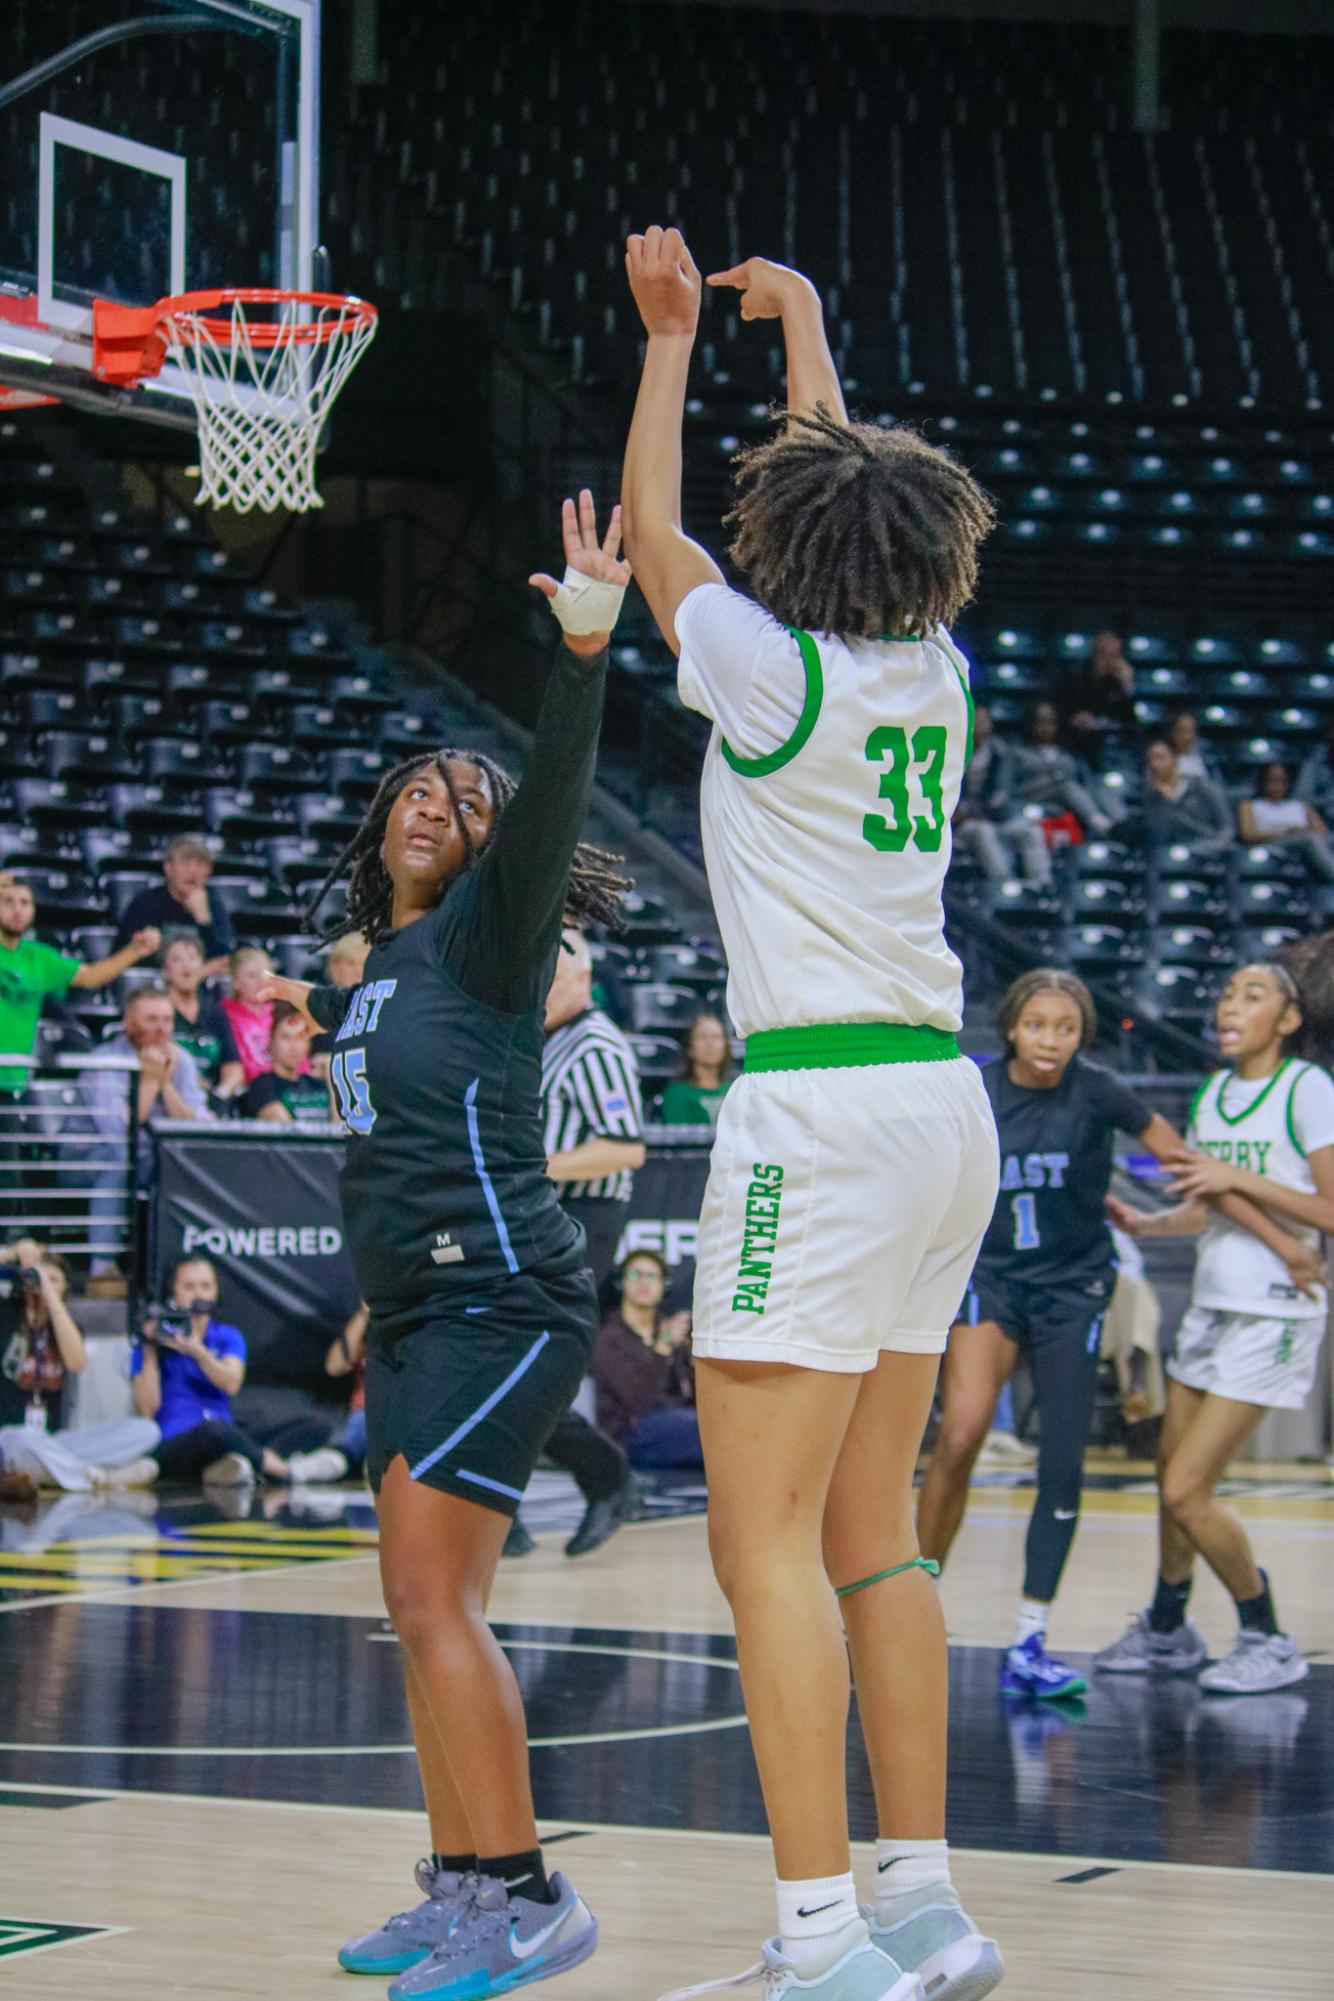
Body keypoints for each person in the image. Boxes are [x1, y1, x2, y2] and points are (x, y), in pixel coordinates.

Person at [624, 231, 1002, 2001]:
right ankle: (920, 1901)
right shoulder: (933, 677)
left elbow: (655, 539)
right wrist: (818, 339)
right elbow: (838, 511)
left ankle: (815, 1940)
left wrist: (670, 345)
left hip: (820, 1112)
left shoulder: (773, 680)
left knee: (753, 1538)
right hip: (938, 1109)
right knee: (876, 1535)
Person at [256, 491, 630, 2000]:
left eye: (462, 796)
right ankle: (464, 1881)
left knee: (432, 1599)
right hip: (414, 1312)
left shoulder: (488, 935)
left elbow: (545, 798)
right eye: (418, 784)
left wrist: (582, 656)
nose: (437, 797)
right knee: (415, 1607)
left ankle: (530, 1897)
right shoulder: (386, 968)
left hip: (503, 1293)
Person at [914, 970, 1284, 1699]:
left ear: (1082, 1036)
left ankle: (1030, 1633)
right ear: (1013, 1026)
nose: (1051, 1040)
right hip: (991, 1277)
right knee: (958, 1435)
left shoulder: (1098, 1088)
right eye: (1037, 1025)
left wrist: (1270, 1230)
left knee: (1061, 1461)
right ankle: (910, 1607)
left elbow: (1180, 1163)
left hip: (1074, 1289)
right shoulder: (974, 1086)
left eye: (1067, 1028)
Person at [1095, 948, 1334, 1695]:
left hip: (1276, 1310)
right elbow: (1211, 1209)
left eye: (1252, 995)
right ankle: (1168, 1627)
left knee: (1186, 1491)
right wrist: (1153, 1223)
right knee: (1170, 1473)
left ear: (1287, 1020)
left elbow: (1326, 1210)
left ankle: (1267, 1632)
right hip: (1210, 1301)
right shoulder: (1214, 1093)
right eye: (1227, 993)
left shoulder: (1308, 1089)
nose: (1230, 1006)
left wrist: (1238, 1176)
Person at [500, 924, 643, 1562]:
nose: (541, 987)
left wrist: (540, 1167)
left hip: (584, 1220)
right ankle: (500, 1513)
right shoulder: (551, 1040)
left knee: (532, 1369)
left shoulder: (597, 1047)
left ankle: (607, 1480)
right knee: (506, 1365)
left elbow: (625, 1145)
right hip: (545, 1218)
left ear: (582, 977)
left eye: (552, 975)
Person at [132, 1254, 348, 1487]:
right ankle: (280, 1470)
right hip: (179, 1440)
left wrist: (198, 1351)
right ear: (173, 1292)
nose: (198, 1295)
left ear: (215, 1291)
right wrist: (150, 1351)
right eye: (189, 1287)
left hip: (227, 1432)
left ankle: (242, 1465)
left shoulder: (226, 1336)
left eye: (205, 1286)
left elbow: (231, 1383)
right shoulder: (154, 1342)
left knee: (318, 1425)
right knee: (215, 1431)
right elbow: (147, 1410)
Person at [0, 1240, 159, 1491]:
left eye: (55, 1280)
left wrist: (51, 1299)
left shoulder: (67, 1327)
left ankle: (48, 1473)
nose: (43, 1285)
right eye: (39, 1277)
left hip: (55, 1442)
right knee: (23, 1440)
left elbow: (77, 1362)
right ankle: (101, 1478)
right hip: (9, 1439)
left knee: (146, 1430)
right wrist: (11, 1253)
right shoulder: (6, 1314)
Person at [83, 985, 214, 1278]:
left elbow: (197, 1125)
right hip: (89, 1157)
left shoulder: (182, 1061)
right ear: (128, 1024)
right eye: (151, 1020)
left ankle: (175, 1271)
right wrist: (150, 1082)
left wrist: (165, 1083)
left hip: (149, 1156)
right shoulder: (105, 1060)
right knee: (120, 1157)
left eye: (167, 1020)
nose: (162, 1029)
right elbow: (116, 1132)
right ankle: (102, 1268)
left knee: (186, 1161)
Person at [0, 872, 160, 1095]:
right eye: (7, 901)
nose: (17, 909)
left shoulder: (39, 957)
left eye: (25, 902)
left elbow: (90, 977)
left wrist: (135, 951)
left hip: (13, 1082)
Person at [593, 1250, 700, 1467]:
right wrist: (661, 1350)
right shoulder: (609, 1338)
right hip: (628, 1433)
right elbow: (636, 1400)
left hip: (675, 1424)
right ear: (622, 1283)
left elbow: (690, 1397)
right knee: (700, 1428)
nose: (643, 1282)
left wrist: (692, 1360)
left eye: (652, 1276)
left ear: (663, 1286)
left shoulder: (670, 1331)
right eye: (635, 1275)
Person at [950, 705, 1051, 886]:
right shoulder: (952, 752)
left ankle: (1041, 885)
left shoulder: (1000, 753)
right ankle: (1005, 884)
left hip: (995, 818)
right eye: (976, 722)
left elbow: (1001, 796)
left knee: (1031, 831)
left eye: (984, 721)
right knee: (983, 831)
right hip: (962, 826)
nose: (980, 727)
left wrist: (984, 811)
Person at [113, 833, 233, 975]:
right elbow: (130, 959)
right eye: (185, 862)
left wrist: (204, 920)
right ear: (168, 868)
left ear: (209, 872)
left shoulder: (214, 906)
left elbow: (224, 962)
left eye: (200, 864)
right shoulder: (146, 903)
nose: (192, 871)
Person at [162, 933, 244, 1102]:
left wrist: (219, 1094)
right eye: (177, 959)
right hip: (171, 1098)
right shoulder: (159, 1013)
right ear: (165, 972)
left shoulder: (215, 1013)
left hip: (211, 1099)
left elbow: (234, 1067)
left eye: (192, 958)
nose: (186, 966)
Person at [1008, 700, 1108, 836]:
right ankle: (1099, 823)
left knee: (1088, 786)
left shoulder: (1068, 755)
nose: (1046, 727)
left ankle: (1104, 822)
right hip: (1029, 801)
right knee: (1065, 785)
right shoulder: (1016, 753)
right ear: (1030, 723)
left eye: (1050, 722)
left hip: (1064, 806)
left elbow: (1083, 783)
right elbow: (1007, 787)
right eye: (1040, 722)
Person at [1117, 739, 1233, 855]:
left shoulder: (1202, 788)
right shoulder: (1152, 797)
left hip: (1207, 852)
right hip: (1169, 859)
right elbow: (1158, 836)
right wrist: (1163, 802)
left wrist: (1216, 846)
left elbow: (1226, 827)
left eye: (1160, 758)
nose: (1154, 764)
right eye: (1150, 760)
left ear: (1175, 759)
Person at [1237, 762, 1334, 882]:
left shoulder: (1301, 806)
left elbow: (1322, 832)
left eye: (1282, 781)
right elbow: (1248, 835)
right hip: (1269, 847)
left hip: (1304, 850)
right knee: (1308, 838)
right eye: (1272, 780)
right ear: (1262, 781)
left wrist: (1300, 832)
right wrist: (1287, 833)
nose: (1277, 786)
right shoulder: (1250, 806)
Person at [241, 1003, 334, 1123]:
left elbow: (341, 1128)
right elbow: (288, 1130)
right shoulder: (261, 1087)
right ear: (271, 1041)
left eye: (300, 1038)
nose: (293, 1046)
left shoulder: (318, 1085)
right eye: (286, 1037)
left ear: (309, 1044)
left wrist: (332, 1075)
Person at [1059, 629, 1136, 767]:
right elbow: (1060, 709)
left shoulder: (1118, 682)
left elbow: (1132, 719)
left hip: (1112, 742)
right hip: (1079, 740)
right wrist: (1076, 718)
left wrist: (1127, 685)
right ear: (1097, 653)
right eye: (1109, 655)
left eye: (1117, 656)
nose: (1114, 661)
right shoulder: (1075, 676)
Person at [657, 1010, 736, 1126]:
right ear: (690, 1048)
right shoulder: (676, 1093)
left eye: (716, 1037)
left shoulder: (734, 1091)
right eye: (702, 1037)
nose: (710, 1044)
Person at [310, 932, 370, 1078]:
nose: (358, 971)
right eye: (351, 963)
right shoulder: (319, 1004)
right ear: (334, 968)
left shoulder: (377, 1005)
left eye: (364, 964)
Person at [221, 946, 279, 1082]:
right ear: (235, 982)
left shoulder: (280, 1012)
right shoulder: (226, 1016)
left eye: (265, 975)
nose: (260, 982)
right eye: (252, 975)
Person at [1294, 716, 1334, 824]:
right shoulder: (1313, 761)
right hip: (1320, 825)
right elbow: (1302, 799)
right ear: (1329, 735)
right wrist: (1329, 800)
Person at [1167, 711, 1223, 787]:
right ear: (1173, 732)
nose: (1187, 736)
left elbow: (1218, 785)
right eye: (1183, 730)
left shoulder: (1207, 757)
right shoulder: (1164, 758)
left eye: (1191, 730)